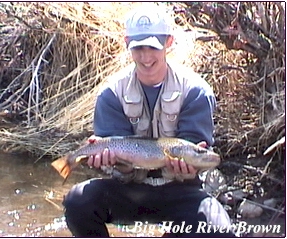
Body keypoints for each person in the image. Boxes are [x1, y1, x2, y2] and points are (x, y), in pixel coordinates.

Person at [63, 4, 235, 237]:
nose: (145, 57)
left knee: (218, 230)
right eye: (138, 47)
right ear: (127, 44)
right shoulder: (111, 93)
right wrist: (111, 161)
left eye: (153, 46)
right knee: (77, 201)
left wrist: (187, 168)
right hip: (127, 189)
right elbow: (119, 162)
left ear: (169, 42)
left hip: (180, 191)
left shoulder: (195, 91)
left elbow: (196, 151)